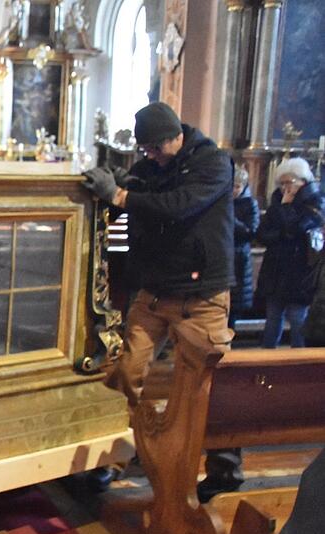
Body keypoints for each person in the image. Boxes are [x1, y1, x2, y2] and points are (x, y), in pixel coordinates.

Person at [82, 101, 240, 502]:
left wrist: (120, 193)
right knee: (125, 372)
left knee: (207, 383)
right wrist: (126, 183)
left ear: (175, 137)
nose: (149, 156)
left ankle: (223, 468)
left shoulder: (213, 163)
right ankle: (111, 460)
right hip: (153, 293)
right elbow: (145, 188)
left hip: (200, 296)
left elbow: (178, 205)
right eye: (144, 150)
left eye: (154, 148)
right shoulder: (154, 165)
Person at [255, 158, 324, 349]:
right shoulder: (277, 201)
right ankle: (265, 359)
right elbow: (262, 234)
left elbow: (298, 228)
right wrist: (283, 228)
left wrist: (285, 210)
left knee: (297, 320)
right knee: (272, 318)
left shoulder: (315, 202)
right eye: (282, 183)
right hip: (276, 271)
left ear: (302, 181)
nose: (285, 187)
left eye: (289, 182)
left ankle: (298, 362)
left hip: (300, 271)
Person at [229, 165, 259, 331]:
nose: (233, 190)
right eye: (231, 186)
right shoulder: (220, 202)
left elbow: (251, 232)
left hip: (239, 259)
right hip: (223, 254)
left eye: (237, 187)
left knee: (233, 305)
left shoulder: (250, 204)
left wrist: (231, 219)